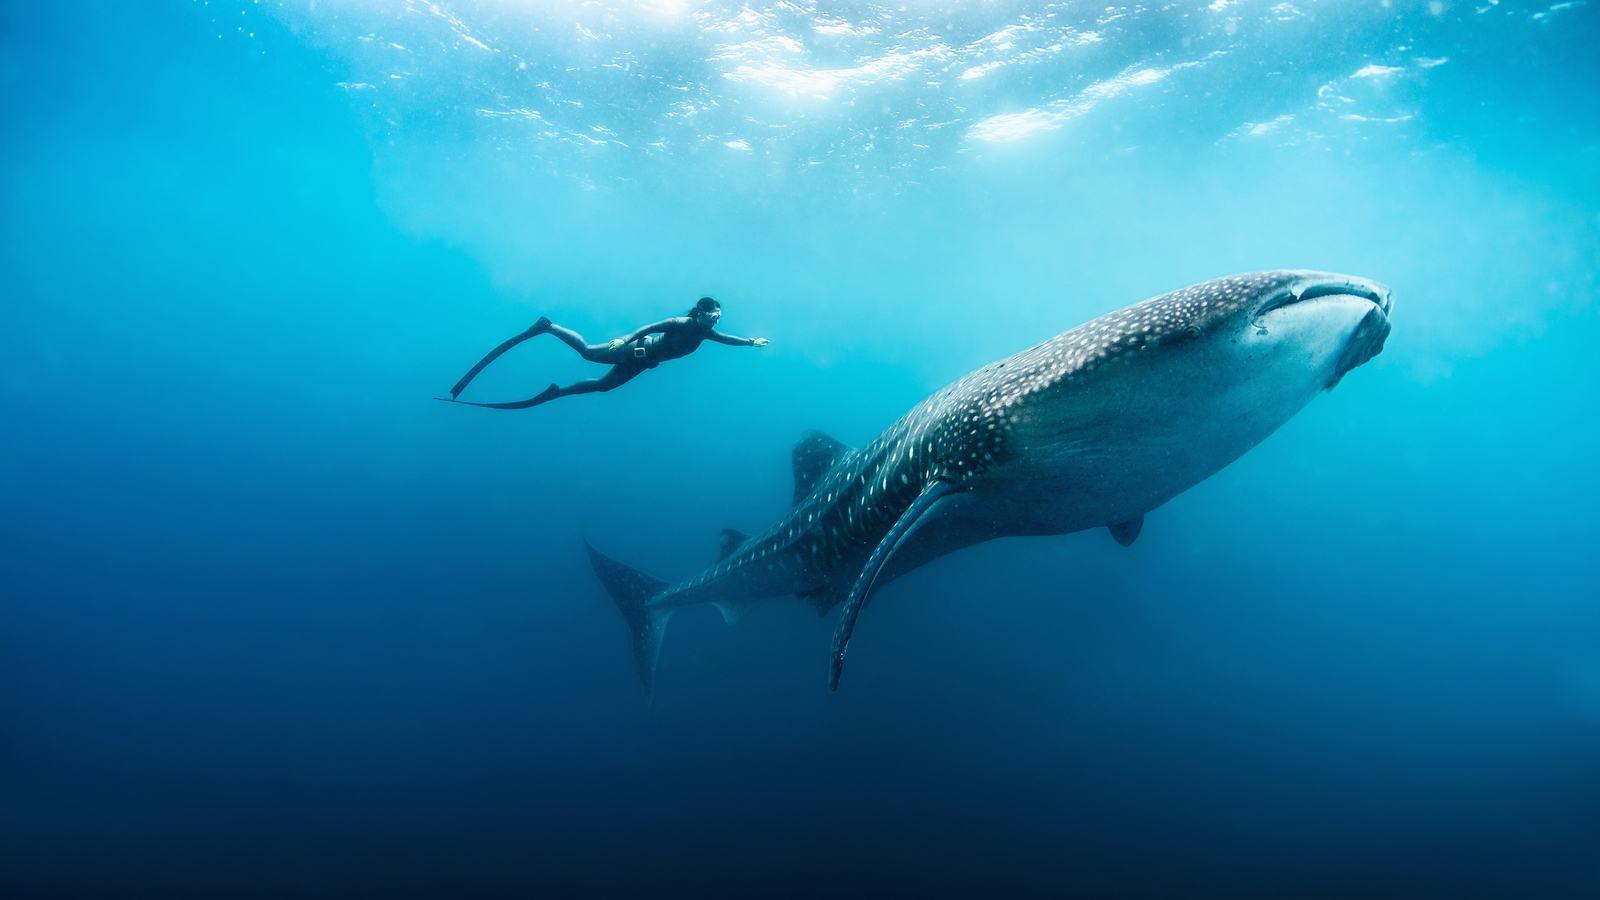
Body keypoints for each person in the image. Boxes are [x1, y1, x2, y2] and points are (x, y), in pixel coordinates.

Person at [440, 297, 770, 409]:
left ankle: (556, 393)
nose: (716, 320)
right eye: (713, 316)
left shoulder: (706, 332)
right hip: (634, 349)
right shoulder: (681, 322)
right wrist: (622, 339)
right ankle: (548, 326)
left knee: (604, 387)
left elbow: (729, 339)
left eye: (718, 317)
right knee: (585, 352)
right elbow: (647, 328)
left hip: (644, 362)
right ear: (699, 312)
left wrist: (750, 342)